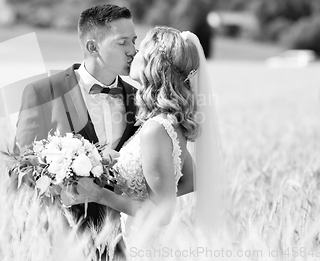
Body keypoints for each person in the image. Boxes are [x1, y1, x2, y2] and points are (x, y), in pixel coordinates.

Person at [14, 7, 195, 249]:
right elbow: (21, 169)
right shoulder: (43, 93)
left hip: (122, 241)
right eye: (122, 43)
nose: (133, 50)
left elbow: (180, 177)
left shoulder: (141, 100)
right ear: (93, 47)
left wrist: (132, 199)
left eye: (134, 41)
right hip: (60, 239)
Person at [62, 26, 221, 249]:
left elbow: (162, 214)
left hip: (147, 244)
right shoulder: (169, 122)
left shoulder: (155, 129)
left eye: (141, 50)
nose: (133, 53)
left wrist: (100, 195)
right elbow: (190, 179)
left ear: (152, 63)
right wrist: (130, 187)